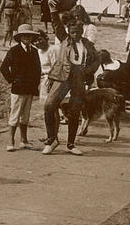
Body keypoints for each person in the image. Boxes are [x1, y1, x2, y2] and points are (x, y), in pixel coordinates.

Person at [42, 19, 99, 156]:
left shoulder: (87, 44)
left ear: (82, 32)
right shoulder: (64, 39)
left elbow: (97, 59)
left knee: (75, 110)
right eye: (73, 32)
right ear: (68, 32)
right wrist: (53, 8)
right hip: (63, 76)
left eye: (78, 32)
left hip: (79, 76)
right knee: (49, 105)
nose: (76, 35)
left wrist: (88, 71)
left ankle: (71, 144)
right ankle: (51, 140)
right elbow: (56, 24)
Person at [0, 25, 42, 151]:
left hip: (30, 88)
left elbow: (38, 70)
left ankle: (24, 140)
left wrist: (36, 84)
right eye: (24, 36)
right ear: (20, 38)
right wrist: (12, 80)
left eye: (29, 36)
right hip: (18, 88)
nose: (27, 38)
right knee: (15, 114)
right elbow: (3, 68)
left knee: (25, 115)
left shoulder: (34, 51)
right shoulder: (14, 51)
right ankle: (11, 141)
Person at [35, 31, 57, 101]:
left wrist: (52, 80)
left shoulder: (52, 49)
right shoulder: (38, 51)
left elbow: (56, 67)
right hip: (43, 80)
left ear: (46, 38)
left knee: (53, 103)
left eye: (40, 39)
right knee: (46, 105)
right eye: (35, 41)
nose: (38, 42)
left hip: (52, 80)